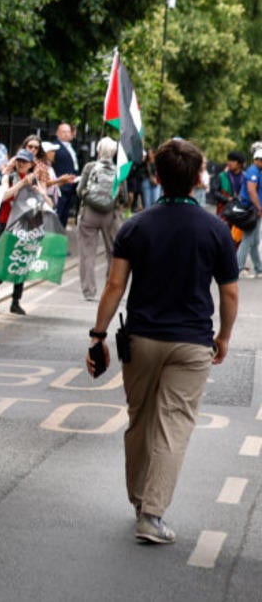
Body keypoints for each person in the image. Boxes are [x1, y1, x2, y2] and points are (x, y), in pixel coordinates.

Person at [85, 139, 238, 545]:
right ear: (199, 178)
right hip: (191, 344)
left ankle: (139, 500)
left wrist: (98, 336)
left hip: (141, 339)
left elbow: (115, 284)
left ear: (157, 177)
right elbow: (230, 293)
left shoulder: (136, 225)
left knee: (140, 421)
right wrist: (223, 336)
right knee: (173, 427)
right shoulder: (216, 229)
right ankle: (151, 516)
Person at [0, 149, 50, 315]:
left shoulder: (35, 181)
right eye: (19, 161)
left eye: (25, 162)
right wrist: (22, 184)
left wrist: (41, 192)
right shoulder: (9, 177)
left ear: (30, 165)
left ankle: (16, 301)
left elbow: (48, 203)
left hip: (27, 227)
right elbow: (4, 196)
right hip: (7, 225)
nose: (21, 164)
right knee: (5, 261)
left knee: (22, 263)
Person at [77, 138, 122, 301]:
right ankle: (109, 288)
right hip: (110, 215)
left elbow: (80, 190)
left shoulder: (90, 167)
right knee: (113, 253)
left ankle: (89, 291)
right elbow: (123, 197)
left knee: (88, 253)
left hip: (89, 213)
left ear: (98, 150)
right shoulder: (119, 170)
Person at [237, 146, 262, 277]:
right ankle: (238, 268)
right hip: (251, 209)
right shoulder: (253, 171)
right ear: (256, 160)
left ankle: (259, 268)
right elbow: (252, 191)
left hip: (254, 210)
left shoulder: (257, 171)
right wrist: (259, 207)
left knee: (255, 240)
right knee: (247, 239)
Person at [52, 122, 80, 227]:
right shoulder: (55, 146)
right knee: (58, 215)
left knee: (65, 216)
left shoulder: (71, 147)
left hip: (71, 185)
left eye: (68, 132)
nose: (66, 134)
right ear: (57, 133)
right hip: (61, 186)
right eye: (63, 132)